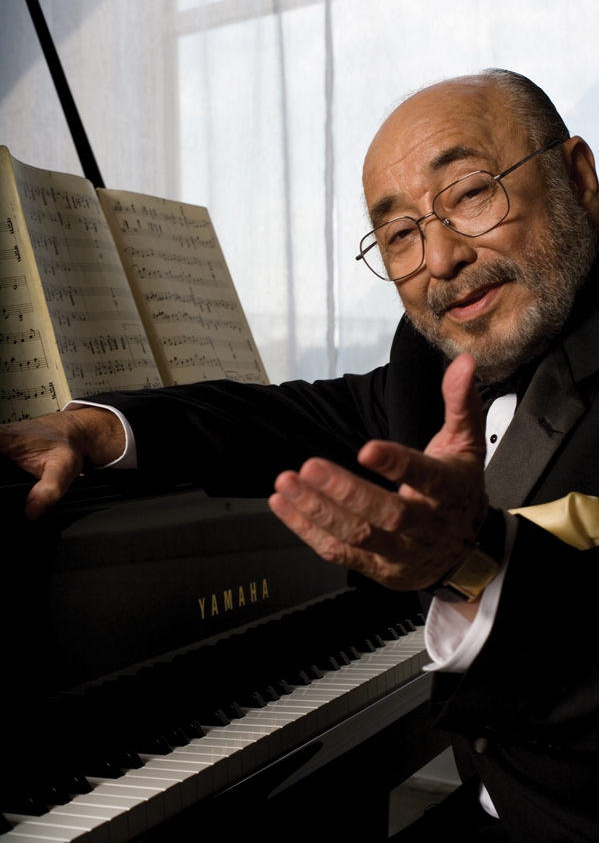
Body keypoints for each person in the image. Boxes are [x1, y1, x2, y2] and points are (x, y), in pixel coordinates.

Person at [2, 68, 599, 842]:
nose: (439, 258)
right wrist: (93, 427)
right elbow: (294, 416)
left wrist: (476, 560)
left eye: (469, 193)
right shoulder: (428, 362)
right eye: (399, 234)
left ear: (577, 177)